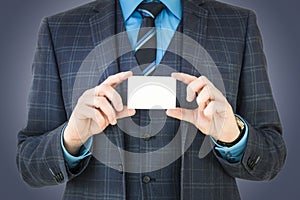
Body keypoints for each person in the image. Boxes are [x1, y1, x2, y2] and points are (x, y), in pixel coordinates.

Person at [16, 0, 287, 199]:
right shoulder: (60, 29)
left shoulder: (238, 24)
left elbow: (271, 158)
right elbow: (29, 164)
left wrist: (233, 137)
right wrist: (71, 138)